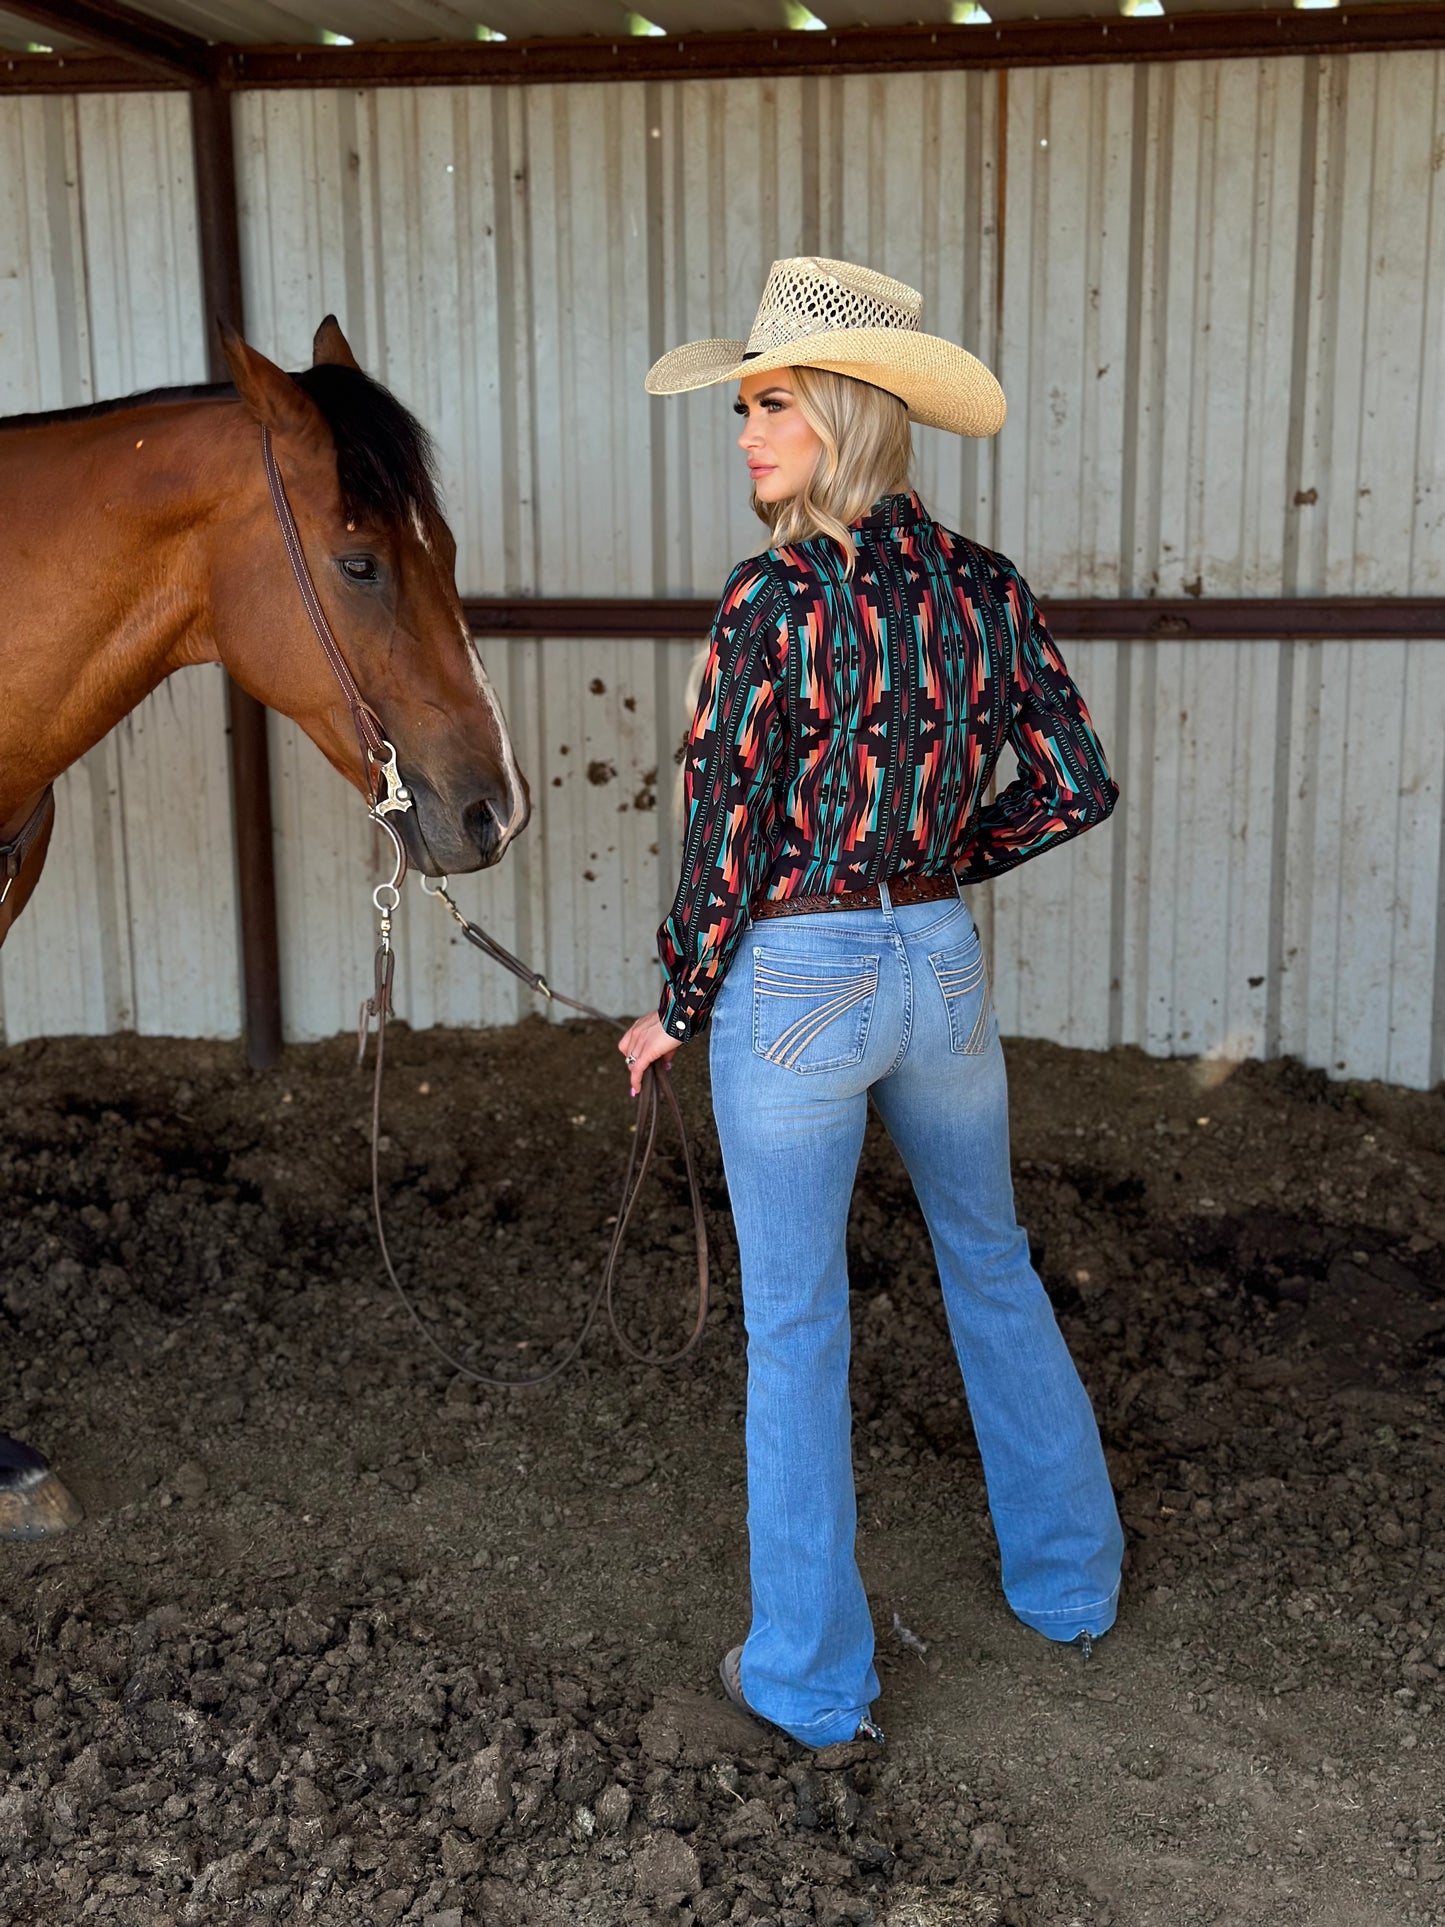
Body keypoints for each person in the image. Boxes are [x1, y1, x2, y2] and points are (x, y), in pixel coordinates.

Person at [619, 257, 1124, 1751]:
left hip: (799, 978)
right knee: (992, 1262)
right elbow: (1076, 783)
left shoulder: (771, 598)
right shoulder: (983, 584)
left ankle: (810, 1680)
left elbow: (720, 825)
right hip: (938, 964)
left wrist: (674, 1000)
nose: (744, 430)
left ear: (840, 413)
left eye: (767, 403)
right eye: (743, 405)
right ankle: (1070, 1587)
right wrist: (934, 863)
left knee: (794, 1326)